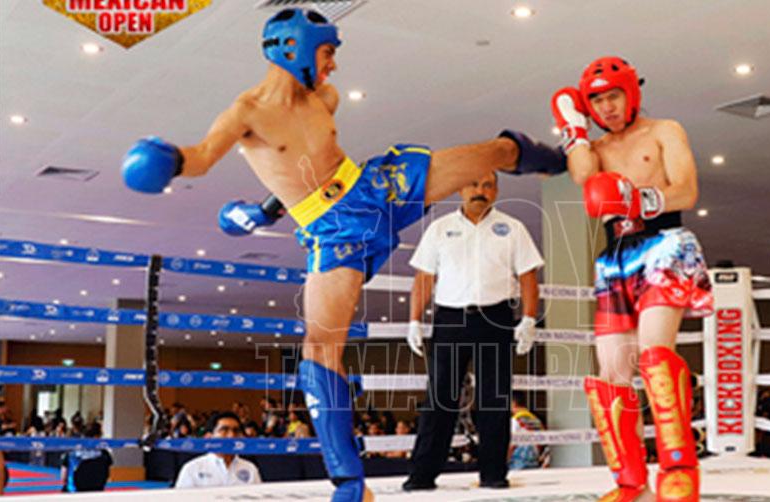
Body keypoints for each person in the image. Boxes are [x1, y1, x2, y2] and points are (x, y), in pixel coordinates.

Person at [121, 8, 564, 501]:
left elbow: (302, 163)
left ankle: (566, 159)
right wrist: (170, 160)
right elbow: (203, 156)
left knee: (496, 153)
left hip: (374, 186)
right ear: (293, 47)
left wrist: (264, 210)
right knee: (319, 349)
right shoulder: (246, 111)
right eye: (327, 52)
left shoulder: (323, 98)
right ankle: (351, 483)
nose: (332, 65)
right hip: (333, 230)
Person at [550, 56, 713, 501]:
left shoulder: (665, 131)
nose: (607, 107)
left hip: (664, 243)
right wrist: (574, 129)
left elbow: (687, 191)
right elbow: (583, 177)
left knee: (654, 353)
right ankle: (629, 479)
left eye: (614, 96)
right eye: (597, 101)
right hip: (616, 257)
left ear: (631, 93)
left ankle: (679, 468)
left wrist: (637, 198)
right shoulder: (596, 149)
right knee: (612, 370)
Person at [402, 172, 543, 491]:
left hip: (496, 318)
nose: (480, 191)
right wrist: (414, 320)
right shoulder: (439, 229)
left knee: (495, 399)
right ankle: (422, 475)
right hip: (450, 319)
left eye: (487, 185)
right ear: (460, 188)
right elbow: (424, 278)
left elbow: (528, 277)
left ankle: (493, 474)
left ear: (496, 190)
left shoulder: (513, 228)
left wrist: (529, 319)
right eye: (474, 184)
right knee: (440, 398)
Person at [174, 412, 262, 489]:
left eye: (236, 431)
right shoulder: (192, 469)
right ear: (209, 437)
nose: (231, 436)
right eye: (224, 430)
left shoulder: (250, 469)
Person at [60, 423, 112, 493]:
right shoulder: (104, 453)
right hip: (97, 491)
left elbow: (63, 476)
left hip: (74, 492)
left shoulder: (73, 452)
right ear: (97, 436)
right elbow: (107, 475)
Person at [508, 394, 548, 471]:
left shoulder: (516, 420)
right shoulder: (536, 420)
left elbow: (512, 444)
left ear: (513, 403)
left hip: (519, 461)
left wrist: (506, 458)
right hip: (533, 460)